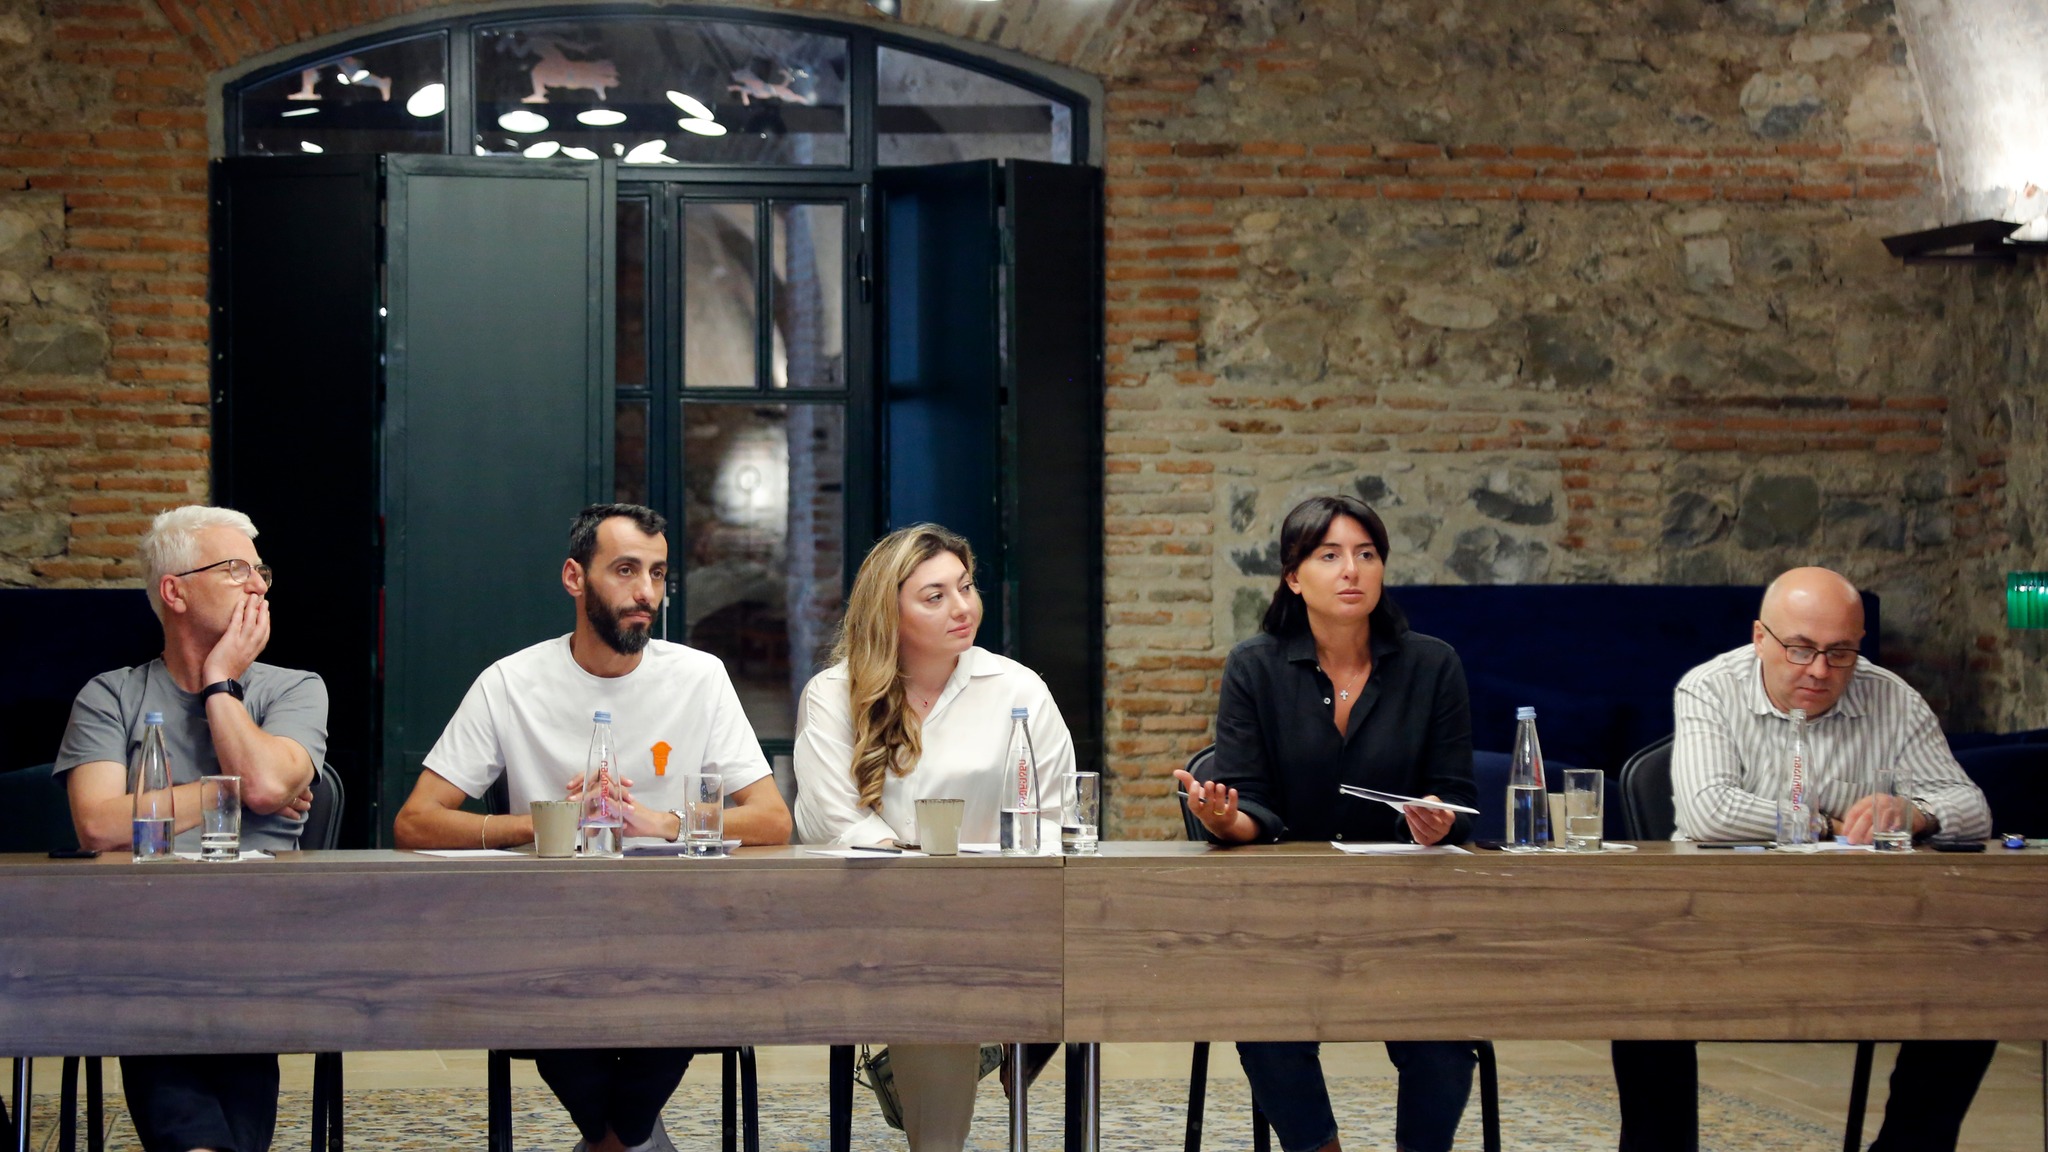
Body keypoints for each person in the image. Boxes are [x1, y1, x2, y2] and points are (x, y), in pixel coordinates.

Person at [394, 502, 792, 1152]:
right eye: (626, 570)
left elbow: (773, 819)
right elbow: (416, 822)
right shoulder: (511, 682)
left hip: (676, 934)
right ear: (574, 577)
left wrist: (660, 822)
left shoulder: (700, 677)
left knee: (688, 980)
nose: (647, 592)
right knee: (552, 995)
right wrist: (544, 824)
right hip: (550, 935)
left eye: (658, 574)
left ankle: (616, 1138)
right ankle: (631, 1137)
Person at [1611, 565, 1995, 1152]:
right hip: (1719, 928)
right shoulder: (1710, 688)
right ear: (1759, 638)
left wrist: (1916, 814)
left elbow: (1972, 807)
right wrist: (1828, 825)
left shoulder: (1893, 698)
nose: (1819, 670)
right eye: (1800, 649)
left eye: (1840, 653)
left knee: (1977, 991)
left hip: (1863, 932)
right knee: (1636, 992)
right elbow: (1711, 812)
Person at [1174, 494, 1481, 1152]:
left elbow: (1455, 795)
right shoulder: (1255, 666)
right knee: (1267, 1022)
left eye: (1366, 555)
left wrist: (1435, 821)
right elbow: (1253, 806)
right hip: (1287, 916)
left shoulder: (1433, 665)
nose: (1351, 571)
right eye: (1330, 555)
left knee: (1445, 1035)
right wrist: (1224, 820)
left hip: (1406, 913)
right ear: (1293, 576)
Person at [792, 523, 1075, 1152]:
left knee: (951, 958)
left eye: (966, 587)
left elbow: (1057, 815)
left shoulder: (1018, 689)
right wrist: (928, 891)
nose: (962, 607)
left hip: (1002, 909)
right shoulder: (833, 695)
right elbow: (836, 822)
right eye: (935, 596)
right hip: (877, 913)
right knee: (931, 959)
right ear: (887, 612)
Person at [56, 504, 323, 1152]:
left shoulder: (295, 689)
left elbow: (268, 784)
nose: (258, 586)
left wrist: (219, 683)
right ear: (174, 592)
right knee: (153, 974)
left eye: (260, 571)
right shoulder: (110, 696)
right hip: (140, 939)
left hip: (260, 943)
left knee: (225, 976)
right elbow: (97, 824)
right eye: (235, 569)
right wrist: (226, 792)